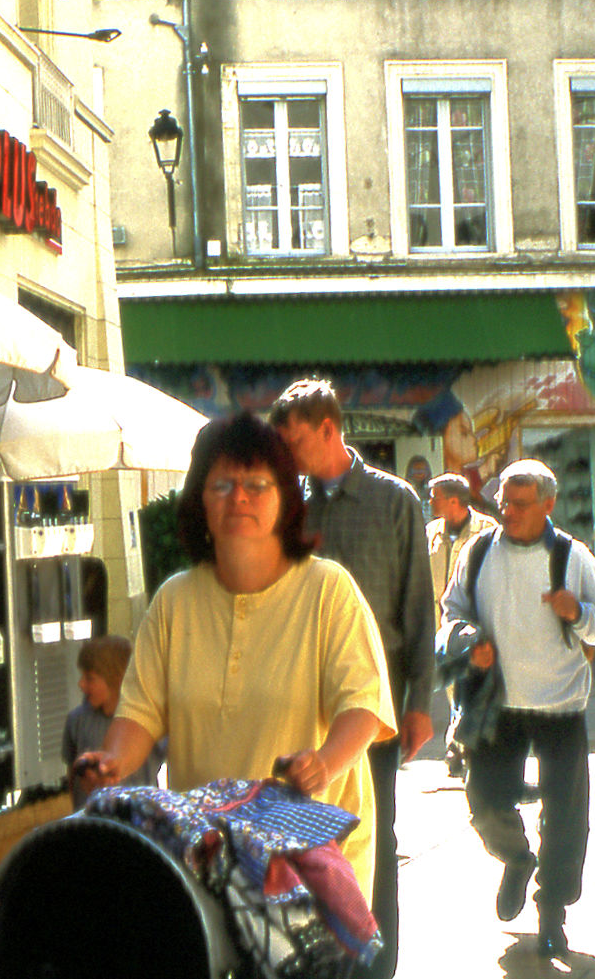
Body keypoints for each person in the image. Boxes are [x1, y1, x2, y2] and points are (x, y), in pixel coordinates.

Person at [75, 414, 395, 907]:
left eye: (256, 484)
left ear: (286, 498)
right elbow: (140, 712)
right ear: (199, 501)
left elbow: (363, 707)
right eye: (221, 485)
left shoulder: (328, 590)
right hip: (207, 864)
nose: (238, 497)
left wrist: (324, 763)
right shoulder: (174, 601)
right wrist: (113, 761)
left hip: (308, 869)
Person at [270, 379, 434, 979]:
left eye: (295, 442)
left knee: (372, 836)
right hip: (297, 700)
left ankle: (376, 965)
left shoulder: (394, 502)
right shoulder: (288, 508)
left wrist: (421, 701)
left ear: (328, 430)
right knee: (304, 836)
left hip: (372, 704)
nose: (287, 455)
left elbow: (418, 608)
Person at [438, 459, 595, 960]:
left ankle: (552, 914)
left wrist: (578, 612)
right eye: (503, 502)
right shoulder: (477, 551)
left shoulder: (573, 557)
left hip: (560, 703)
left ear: (548, 504)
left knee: (566, 818)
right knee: (485, 801)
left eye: (520, 504)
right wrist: (469, 640)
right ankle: (516, 857)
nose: (508, 512)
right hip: (497, 703)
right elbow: (451, 611)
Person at [427, 473, 497, 778]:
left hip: (474, 624)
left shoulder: (487, 530)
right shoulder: (431, 532)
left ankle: (460, 746)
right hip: (441, 625)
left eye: (435, 496)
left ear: (453, 500)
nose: (430, 501)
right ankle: (459, 742)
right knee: (452, 687)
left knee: (471, 685)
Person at [63, 635, 162, 808]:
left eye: (90, 678)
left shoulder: (148, 721)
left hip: (137, 818)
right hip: (91, 817)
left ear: (116, 680)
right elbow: (72, 776)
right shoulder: (77, 720)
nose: (81, 684)